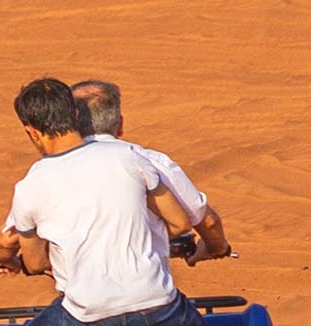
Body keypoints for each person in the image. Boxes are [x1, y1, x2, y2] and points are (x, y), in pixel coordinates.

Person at [0, 73, 217, 326]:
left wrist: (5, 258)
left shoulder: (30, 185)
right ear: (75, 115)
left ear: (32, 132)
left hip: (85, 318)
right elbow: (180, 222)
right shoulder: (128, 156)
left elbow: (36, 263)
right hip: (160, 307)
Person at [69, 77, 235, 261]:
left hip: (75, 277)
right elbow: (209, 223)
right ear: (120, 125)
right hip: (144, 277)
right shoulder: (151, 161)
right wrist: (215, 248)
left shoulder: (52, 169)